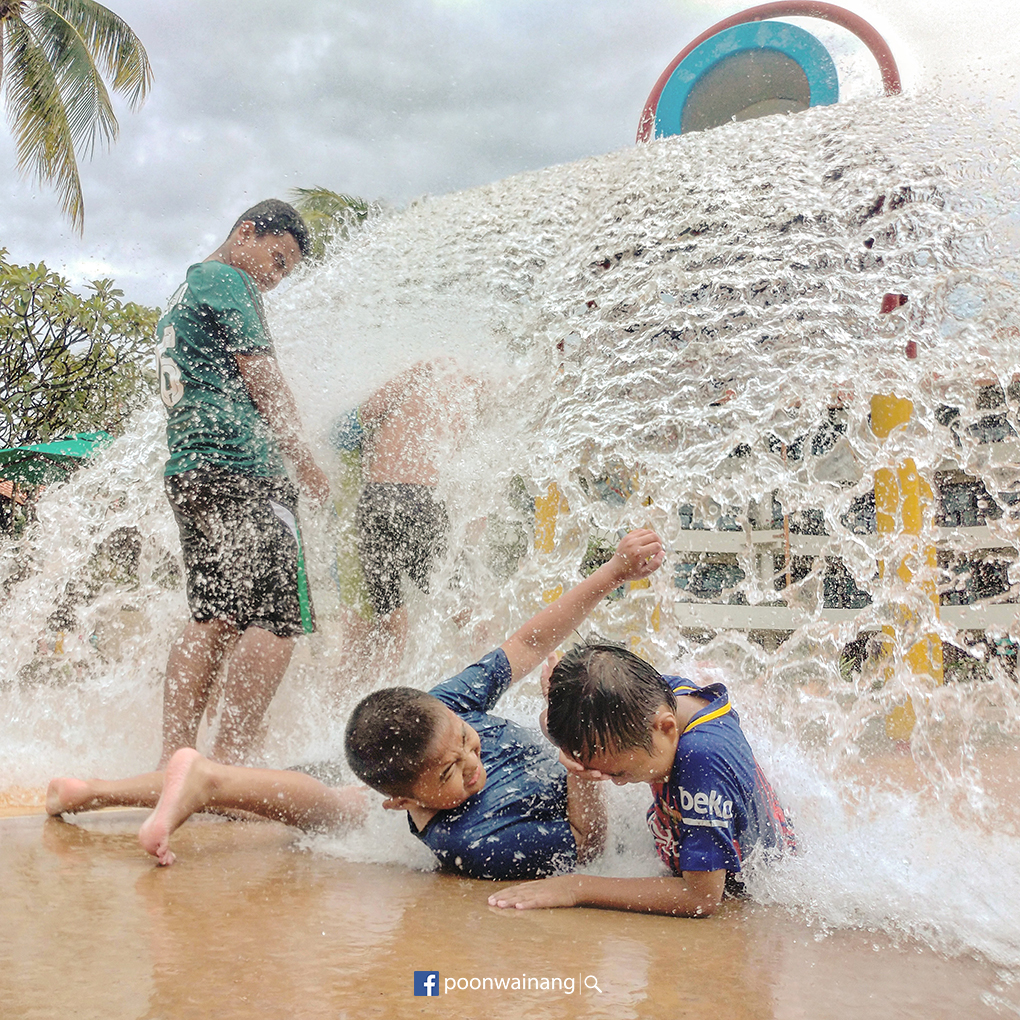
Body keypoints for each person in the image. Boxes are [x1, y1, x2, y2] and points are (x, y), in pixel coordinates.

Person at [46, 529, 665, 876]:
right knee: (331, 811)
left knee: (310, 799)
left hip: (374, 776)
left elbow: (527, 642)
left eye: (465, 742)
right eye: (450, 774)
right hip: (377, 797)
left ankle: (95, 791)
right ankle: (176, 784)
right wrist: (573, 762)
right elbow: (585, 847)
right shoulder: (470, 839)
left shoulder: (439, 710)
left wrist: (610, 574)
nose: (472, 764)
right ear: (406, 801)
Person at [153, 199, 330, 767]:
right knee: (278, 618)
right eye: (277, 260)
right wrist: (304, 460)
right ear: (247, 232)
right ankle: (227, 766)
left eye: (285, 271)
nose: (275, 278)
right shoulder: (229, 280)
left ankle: (175, 760)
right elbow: (262, 376)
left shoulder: (184, 291)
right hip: (245, 467)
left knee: (213, 614)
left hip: (191, 468)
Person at [488, 644, 796, 917]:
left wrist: (577, 888)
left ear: (666, 728)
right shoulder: (653, 699)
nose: (617, 784)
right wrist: (563, 729)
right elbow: (558, 723)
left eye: (621, 774)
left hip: (742, 886)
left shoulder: (702, 760)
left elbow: (701, 898)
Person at [330, 360, 476, 674]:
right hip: (418, 500)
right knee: (462, 605)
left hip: (374, 504)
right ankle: (486, 670)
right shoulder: (450, 394)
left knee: (392, 621)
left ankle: (386, 689)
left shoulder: (382, 405)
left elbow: (359, 419)